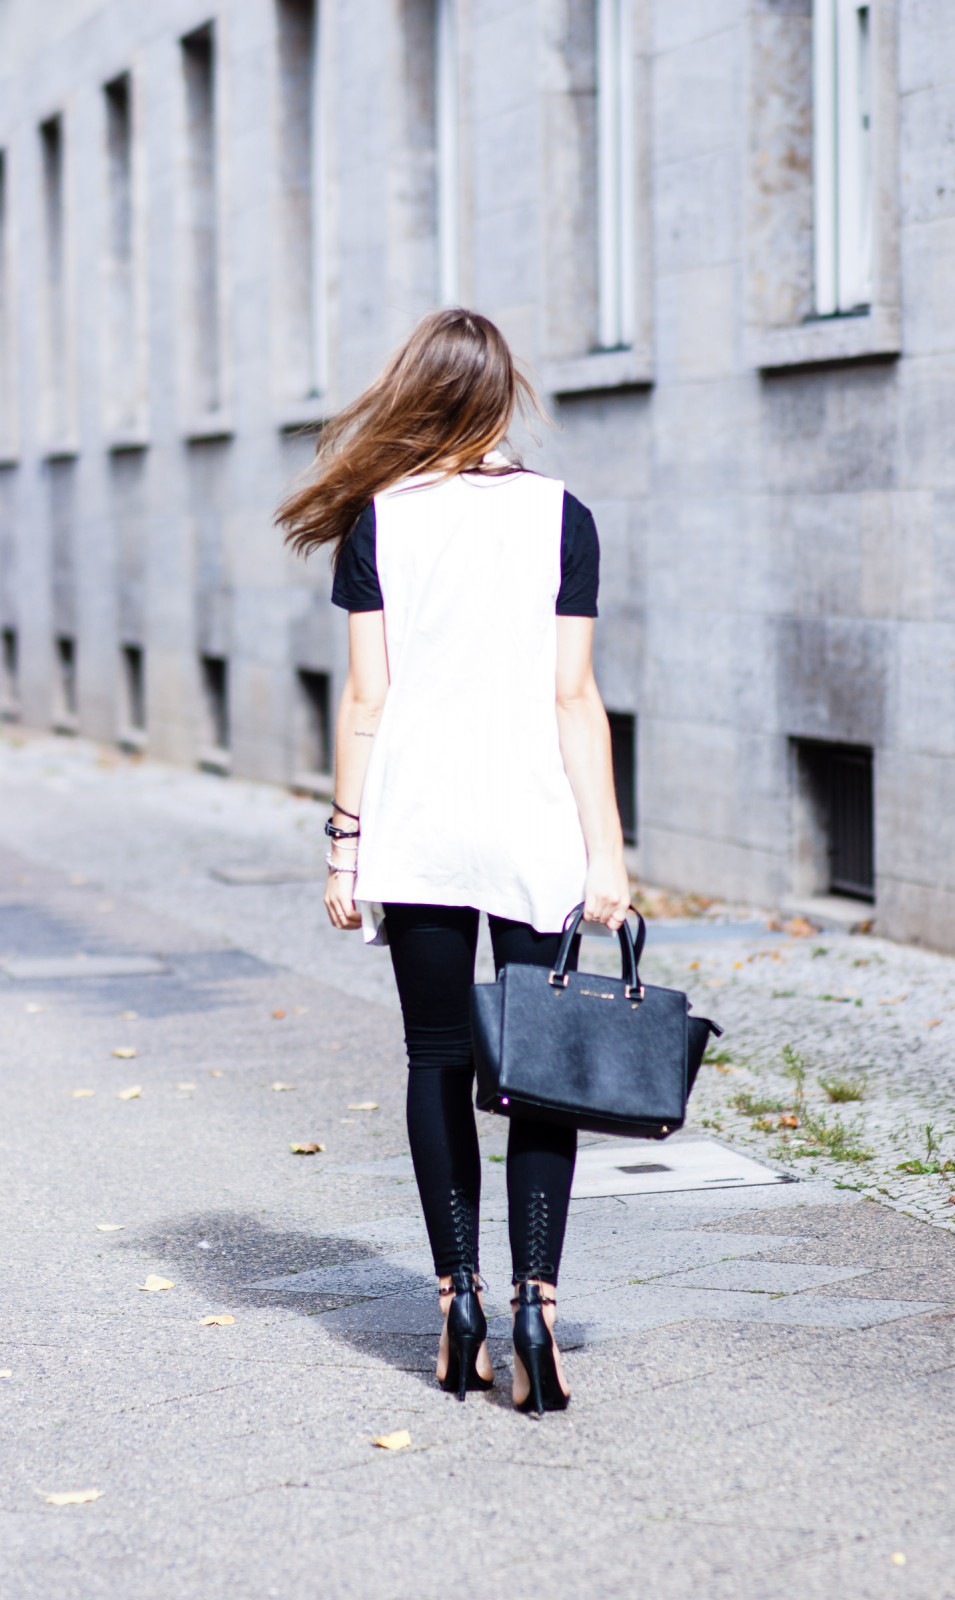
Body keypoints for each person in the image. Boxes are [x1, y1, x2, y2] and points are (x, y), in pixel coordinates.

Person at [277, 308, 629, 1415]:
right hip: (532, 825)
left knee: (436, 1059)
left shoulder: (378, 523)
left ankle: (457, 1303)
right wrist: (608, 853)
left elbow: (368, 701)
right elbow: (575, 698)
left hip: (420, 827)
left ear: (413, 398)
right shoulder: (561, 515)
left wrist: (345, 847)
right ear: (500, 397)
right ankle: (536, 1304)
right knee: (541, 1070)